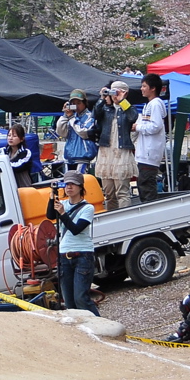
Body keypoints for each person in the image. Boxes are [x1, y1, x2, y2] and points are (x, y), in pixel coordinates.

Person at [46, 170, 100, 316]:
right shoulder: (62, 203)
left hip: (82, 255)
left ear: (80, 187)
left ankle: (102, 326)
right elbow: (50, 215)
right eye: (67, 184)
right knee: (69, 301)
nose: (69, 187)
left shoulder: (87, 208)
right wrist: (52, 197)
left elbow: (76, 229)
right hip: (64, 256)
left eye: (73, 184)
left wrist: (63, 214)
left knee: (81, 298)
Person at [94, 81, 138, 211]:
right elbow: (95, 114)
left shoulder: (129, 108)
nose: (114, 95)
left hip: (121, 153)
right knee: (109, 194)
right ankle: (112, 219)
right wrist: (102, 97)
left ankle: (125, 221)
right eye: (112, 91)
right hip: (106, 153)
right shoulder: (106, 109)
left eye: (117, 91)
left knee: (122, 192)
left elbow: (133, 117)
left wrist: (122, 101)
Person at [132, 73, 166, 203]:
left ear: (153, 88)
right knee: (143, 184)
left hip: (150, 154)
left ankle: (152, 214)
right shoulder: (149, 105)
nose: (141, 89)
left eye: (144, 86)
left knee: (147, 185)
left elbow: (156, 126)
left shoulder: (156, 104)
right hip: (144, 153)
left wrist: (138, 127)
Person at [55, 89, 98, 172]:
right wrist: (65, 116)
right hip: (69, 157)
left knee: (80, 183)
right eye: (73, 103)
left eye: (79, 103)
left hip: (83, 157)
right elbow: (61, 132)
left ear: (85, 103)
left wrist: (71, 118)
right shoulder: (71, 117)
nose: (76, 106)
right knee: (69, 184)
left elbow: (84, 132)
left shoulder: (90, 116)